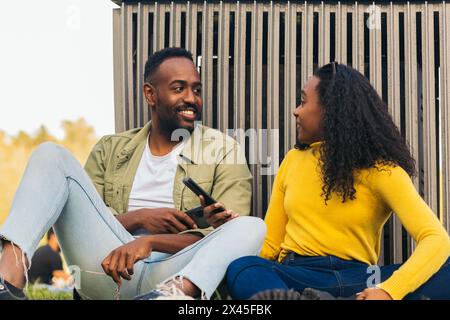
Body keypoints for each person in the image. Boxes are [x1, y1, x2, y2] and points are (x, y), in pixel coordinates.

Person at [0, 47, 266, 300]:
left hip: (175, 272)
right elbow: (81, 223)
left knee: (251, 226)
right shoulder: (110, 148)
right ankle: (8, 282)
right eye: (178, 88)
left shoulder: (223, 150)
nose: (191, 98)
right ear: (150, 94)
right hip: (106, 265)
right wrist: (140, 219)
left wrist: (150, 242)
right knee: (50, 154)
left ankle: (168, 297)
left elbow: (225, 241)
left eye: (196, 90)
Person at [226, 62, 450, 300]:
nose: (296, 111)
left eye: (303, 101)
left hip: (364, 280)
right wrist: (231, 235)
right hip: (299, 275)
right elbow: (270, 245)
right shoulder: (293, 160)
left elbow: (437, 240)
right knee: (244, 267)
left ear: (330, 110)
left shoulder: (384, 170)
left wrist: (387, 291)